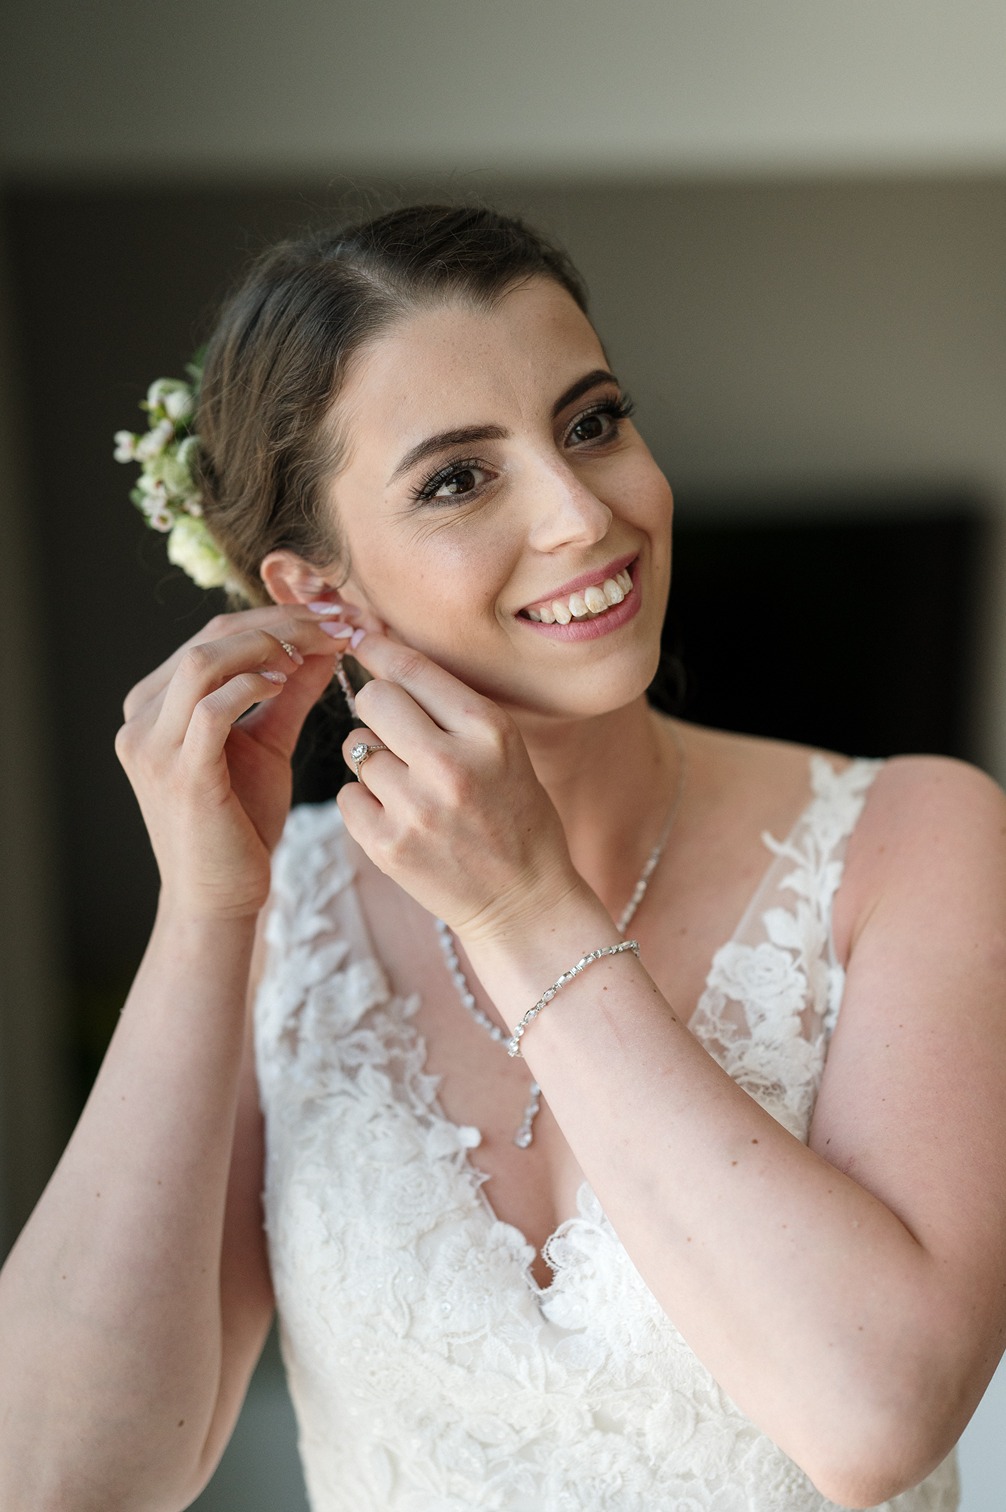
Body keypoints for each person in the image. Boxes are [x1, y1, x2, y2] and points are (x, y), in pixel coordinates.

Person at [1, 204, 1004, 1512]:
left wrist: (527, 910)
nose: (582, 515)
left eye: (591, 423)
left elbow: (875, 1423)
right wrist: (204, 916)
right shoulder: (280, 918)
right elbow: (57, 1477)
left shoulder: (917, 838)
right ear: (320, 595)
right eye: (457, 479)